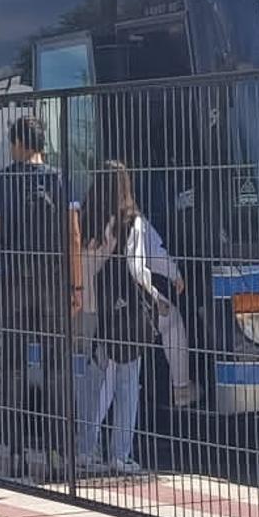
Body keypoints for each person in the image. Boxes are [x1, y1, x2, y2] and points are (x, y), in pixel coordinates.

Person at [0, 115, 82, 479]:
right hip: (53, 281)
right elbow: (73, 235)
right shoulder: (59, 178)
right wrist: (76, 286)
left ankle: (16, 455)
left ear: (18, 143)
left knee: (14, 368)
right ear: (42, 144)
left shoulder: (0, 179)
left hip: (14, 281)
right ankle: (59, 456)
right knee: (57, 370)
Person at [79, 160, 184, 474]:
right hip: (123, 314)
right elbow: (138, 270)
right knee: (127, 385)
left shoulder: (85, 220)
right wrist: (156, 297)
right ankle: (120, 455)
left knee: (94, 383)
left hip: (90, 310)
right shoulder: (130, 222)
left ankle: (86, 448)